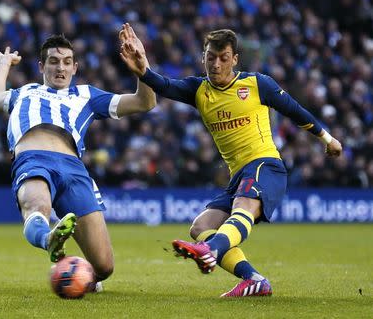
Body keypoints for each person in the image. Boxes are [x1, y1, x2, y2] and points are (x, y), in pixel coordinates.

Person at [119, 23, 342, 297]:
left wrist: (327, 139)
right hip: (238, 176)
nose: (216, 64)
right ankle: (254, 279)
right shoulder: (198, 90)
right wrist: (142, 68)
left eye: (223, 58)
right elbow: (163, 85)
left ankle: (211, 251)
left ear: (235, 59)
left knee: (242, 206)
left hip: (265, 165)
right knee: (201, 227)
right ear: (203, 56)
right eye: (210, 57)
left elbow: (295, 111)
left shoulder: (257, 84)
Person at [0, 34, 155, 289]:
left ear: (75, 68)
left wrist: (143, 68)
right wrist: (4, 63)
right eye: (53, 61)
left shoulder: (87, 95)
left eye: (66, 62)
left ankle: (78, 273)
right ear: (42, 67)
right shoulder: (24, 93)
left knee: (104, 267)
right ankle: (49, 239)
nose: (60, 68)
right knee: (36, 206)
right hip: (33, 159)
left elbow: (145, 102)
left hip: (74, 170)